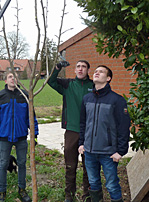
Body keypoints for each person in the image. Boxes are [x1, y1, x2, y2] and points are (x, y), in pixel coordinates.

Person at [78, 65, 130, 202]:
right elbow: (83, 123)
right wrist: (81, 143)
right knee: (93, 183)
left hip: (108, 153)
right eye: (95, 71)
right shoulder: (87, 98)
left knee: (112, 185)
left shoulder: (117, 100)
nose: (96, 72)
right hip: (89, 152)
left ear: (108, 78)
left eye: (101, 72)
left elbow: (124, 127)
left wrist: (121, 151)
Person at [0, 71, 39, 202]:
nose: (13, 79)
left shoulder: (25, 96)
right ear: (5, 80)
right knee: (3, 164)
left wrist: (35, 135)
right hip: (5, 138)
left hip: (21, 137)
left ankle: (22, 189)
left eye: (15, 77)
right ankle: (2, 191)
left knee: (22, 164)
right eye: (10, 77)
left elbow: (31, 117)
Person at [48, 60, 93, 202]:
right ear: (74, 70)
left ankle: (88, 194)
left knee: (89, 165)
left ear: (87, 70)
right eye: (78, 66)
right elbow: (51, 81)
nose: (80, 69)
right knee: (70, 165)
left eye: (84, 67)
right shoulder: (67, 85)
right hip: (72, 130)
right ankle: (69, 195)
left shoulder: (93, 86)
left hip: (89, 131)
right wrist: (57, 67)